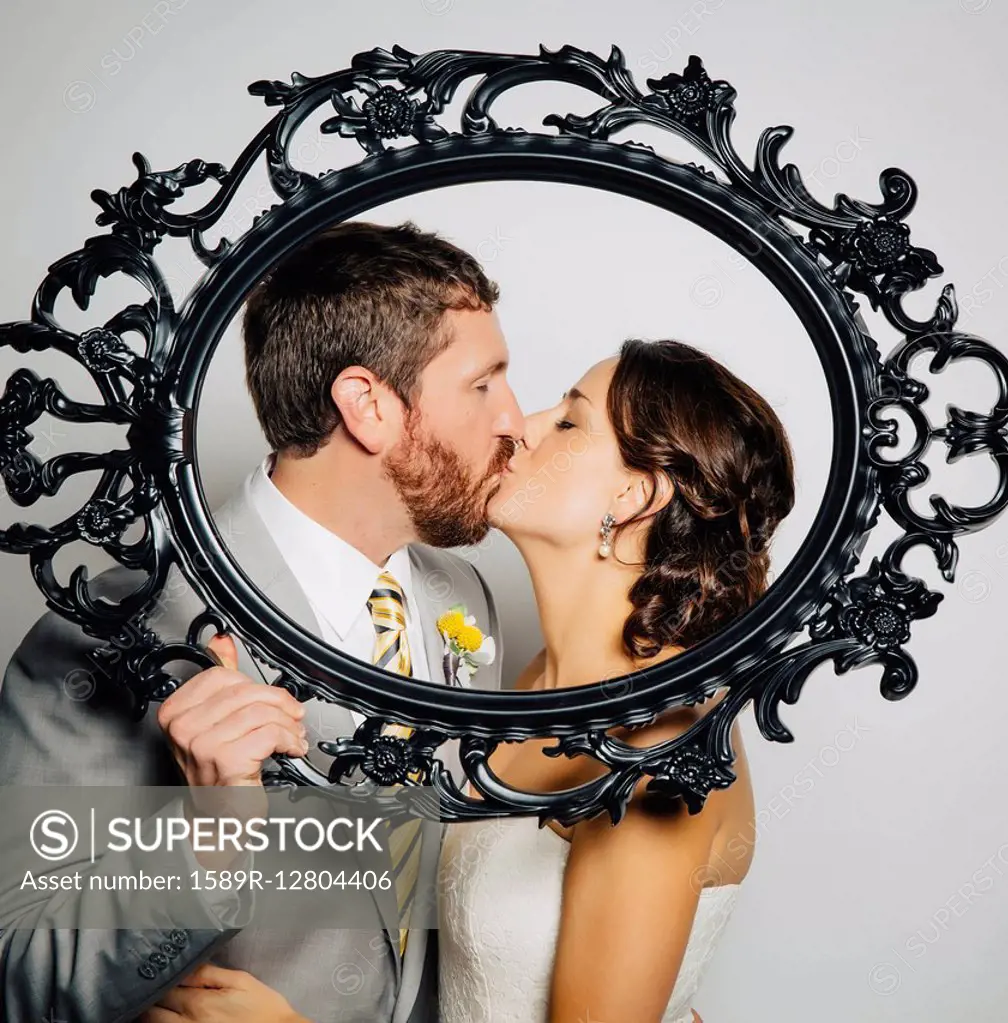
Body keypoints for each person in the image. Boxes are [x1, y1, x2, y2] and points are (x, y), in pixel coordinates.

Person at [0, 220, 524, 1023]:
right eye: (484, 384)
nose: (514, 421)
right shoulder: (118, 623)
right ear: (368, 405)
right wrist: (210, 837)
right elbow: (21, 970)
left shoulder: (464, 598)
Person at [437, 338, 796, 1023]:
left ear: (635, 494)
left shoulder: (658, 752)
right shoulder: (536, 683)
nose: (520, 425)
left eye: (568, 421)